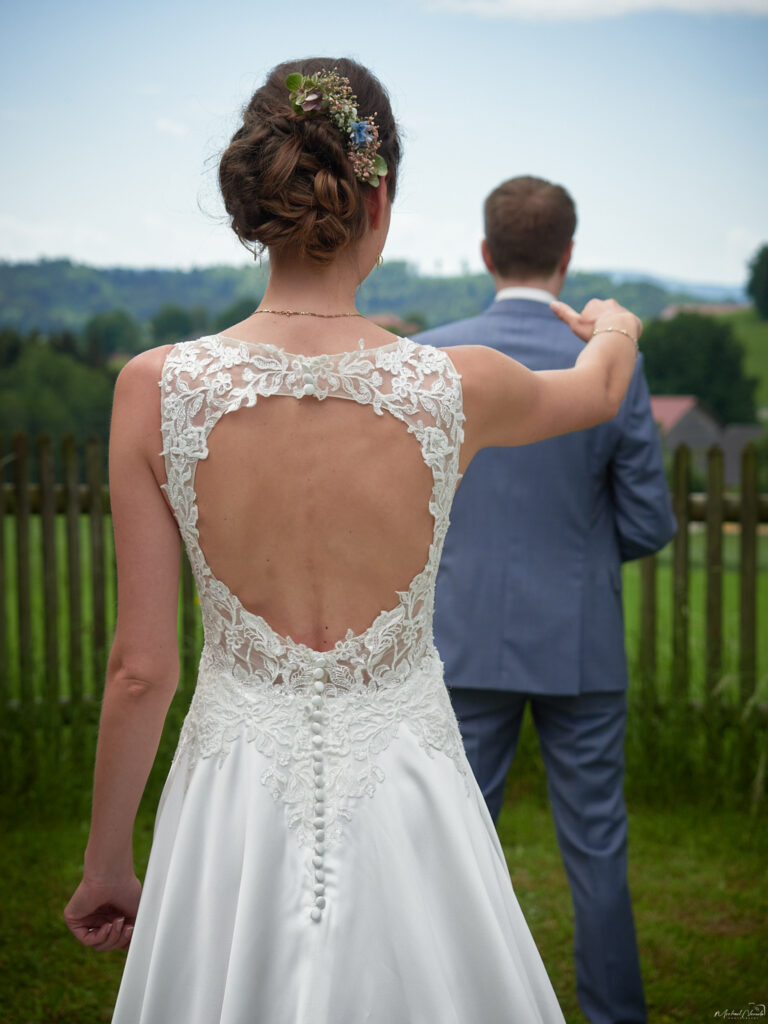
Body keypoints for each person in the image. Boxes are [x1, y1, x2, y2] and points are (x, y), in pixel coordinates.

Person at [63, 62, 642, 1024]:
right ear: (380, 199)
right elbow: (599, 391)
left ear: (254, 200)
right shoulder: (458, 384)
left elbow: (140, 671)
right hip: (412, 795)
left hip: (228, 809)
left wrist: (107, 864)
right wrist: (615, 324)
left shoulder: (153, 388)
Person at [419, 175, 676, 1024]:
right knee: (598, 851)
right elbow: (647, 518)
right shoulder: (609, 363)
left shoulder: (429, 357)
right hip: (581, 637)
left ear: (486, 254)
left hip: (459, 636)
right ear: (569, 257)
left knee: (451, 851)